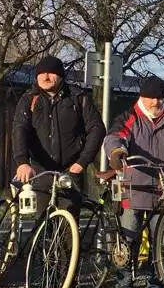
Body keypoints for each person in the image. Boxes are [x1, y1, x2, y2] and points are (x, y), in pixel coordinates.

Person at [104, 75, 164, 288]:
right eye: (150, 98)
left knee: (160, 243)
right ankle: (123, 287)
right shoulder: (129, 118)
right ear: (141, 97)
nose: (155, 103)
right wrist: (117, 153)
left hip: (163, 190)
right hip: (133, 187)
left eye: (159, 99)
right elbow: (114, 137)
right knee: (127, 239)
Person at [11, 55, 105, 217]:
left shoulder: (78, 98)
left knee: (69, 225)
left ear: (61, 76)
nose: (45, 77)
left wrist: (81, 162)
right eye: (41, 73)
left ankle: (70, 242)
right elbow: (19, 129)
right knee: (42, 223)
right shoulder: (29, 99)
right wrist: (22, 162)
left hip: (70, 171)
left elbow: (97, 129)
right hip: (40, 171)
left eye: (51, 73)